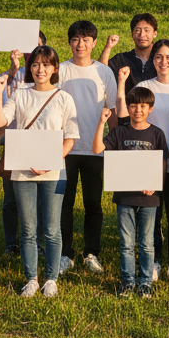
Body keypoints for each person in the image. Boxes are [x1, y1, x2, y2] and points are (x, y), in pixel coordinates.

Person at [0, 46, 79, 298]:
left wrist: (49, 161)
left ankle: (51, 278)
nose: (40, 70)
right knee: (28, 229)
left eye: (46, 65)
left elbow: (70, 139)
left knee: (52, 229)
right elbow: (0, 122)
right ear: (30, 69)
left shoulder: (64, 98)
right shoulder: (20, 94)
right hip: (23, 171)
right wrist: (0, 90)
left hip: (54, 172)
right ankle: (31, 278)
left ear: (54, 69)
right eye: (35, 65)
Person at [126, 40, 169, 284]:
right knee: (151, 216)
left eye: (168, 57)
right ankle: (153, 261)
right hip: (149, 163)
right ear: (153, 60)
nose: (163, 61)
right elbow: (131, 120)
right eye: (158, 57)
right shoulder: (144, 86)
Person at [95, 85, 169, 297]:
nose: (138, 110)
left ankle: (145, 282)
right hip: (124, 196)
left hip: (149, 198)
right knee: (126, 243)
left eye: (143, 106)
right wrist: (102, 123)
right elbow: (97, 149)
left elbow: (162, 164)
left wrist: (156, 185)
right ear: (127, 108)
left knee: (147, 244)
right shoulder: (119, 132)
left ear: (151, 109)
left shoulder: (156, 133)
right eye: (134, 106)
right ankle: (127, 282)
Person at [57, 20, 118, 272]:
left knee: (93, 204)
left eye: (85, 40)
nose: (80, 44)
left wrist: (113, 145)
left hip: (95, 148)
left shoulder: (104, 72)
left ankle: (91, 252)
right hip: (65, 148)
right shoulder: (59, 70)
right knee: (64, 204)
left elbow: (112, 110)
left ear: (94, 43)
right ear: (69, 42)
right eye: (75, 39)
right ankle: (65, 253)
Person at [1, 30, 48, 255]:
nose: (32, 54)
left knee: (37, 198)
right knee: (11, 197)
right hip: (13, 142)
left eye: (37, 48)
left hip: (39, 143)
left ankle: (35, 243)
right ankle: (11, 243)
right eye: (28, 49)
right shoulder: (13, 75)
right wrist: (13, 67)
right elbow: (3, 100)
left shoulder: (50, 80)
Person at [98, 13, 160, 85]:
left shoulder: (162, 60)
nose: (142, 35)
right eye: (137, 30)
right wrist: (108, 47)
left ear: (155, 34)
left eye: (147, 30)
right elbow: (102, 75)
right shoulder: (121, 60)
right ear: (132, 34)